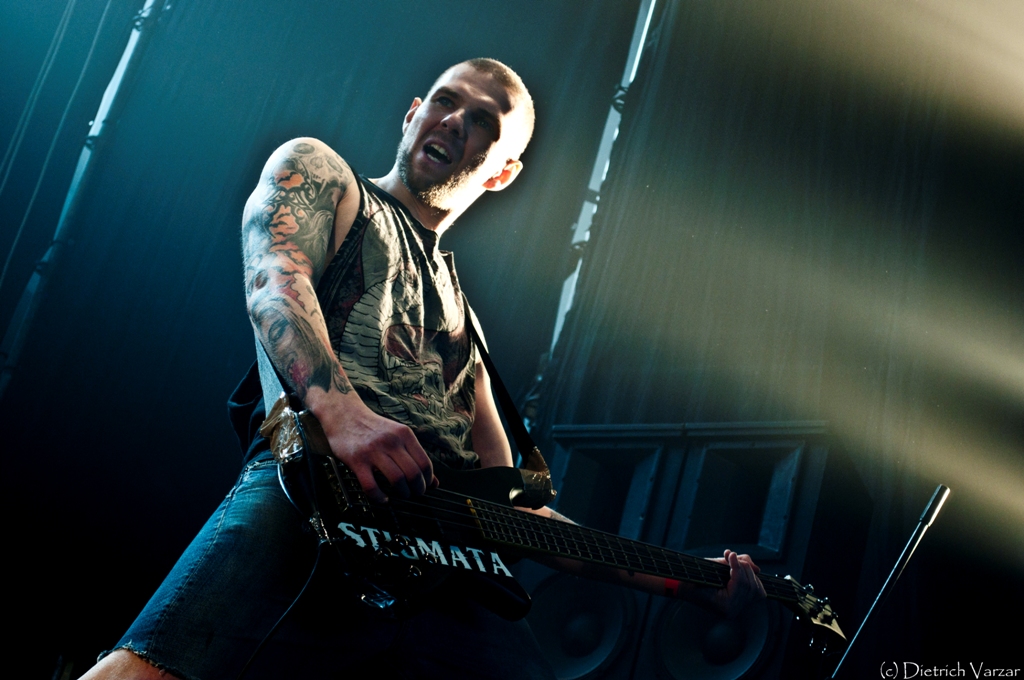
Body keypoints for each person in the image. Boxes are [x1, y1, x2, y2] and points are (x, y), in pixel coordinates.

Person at [82, 58, 765, 680]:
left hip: (445, 562)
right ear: (413, 114)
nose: (455, 121)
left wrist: (685, 580)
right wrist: (344, 416)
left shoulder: (467, 328)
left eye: (483, 121)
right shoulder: (323, 175)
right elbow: (274, 283)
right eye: (445, 100)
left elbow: (513, 508)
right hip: (315, 501)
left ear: (502, 172)